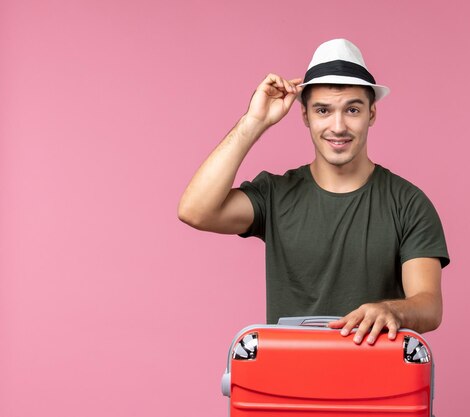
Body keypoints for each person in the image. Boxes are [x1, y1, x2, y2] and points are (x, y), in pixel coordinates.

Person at [178, 39, 450, 345]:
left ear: (371, 114)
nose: (338, 126)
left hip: (376, 383)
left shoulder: (408, 204)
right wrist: (253, 122)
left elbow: (429, 304)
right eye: (323, 110)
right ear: (305, 116)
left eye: (352, 110)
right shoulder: (275, 194)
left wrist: (392, 310)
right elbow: (195, 210)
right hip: (287, 383)